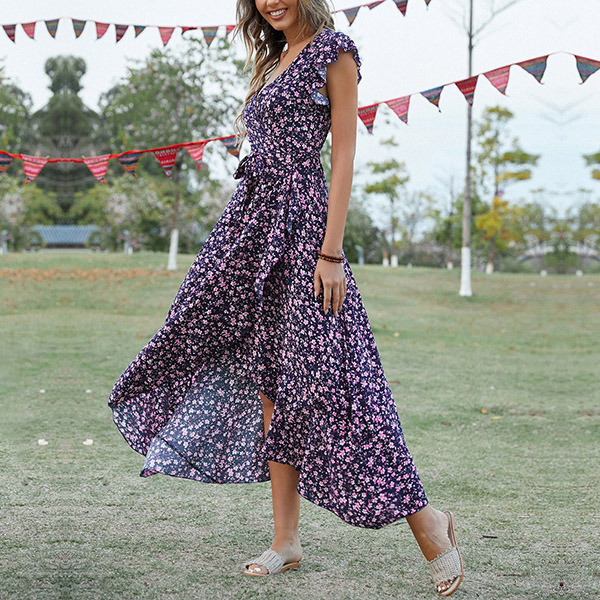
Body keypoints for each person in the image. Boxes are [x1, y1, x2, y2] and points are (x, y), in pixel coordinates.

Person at [107, 0, 463, 596]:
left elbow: (343, 154)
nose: (270, 2)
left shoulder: (334, 50)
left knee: (337, 380)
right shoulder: (272, 59)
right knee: (266, 376)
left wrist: (331, 252)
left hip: (304, 231)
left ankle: (427, 521)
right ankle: (285, 541)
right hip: (251, 229)